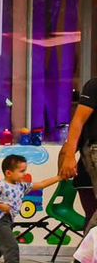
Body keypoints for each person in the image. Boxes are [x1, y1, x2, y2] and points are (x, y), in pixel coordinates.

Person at [0, 153, 63, 263]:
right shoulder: (0, 185)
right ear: (9, 172)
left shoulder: (21, 186)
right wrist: (0, 206)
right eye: (21, 171)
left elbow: (40, 185)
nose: (24, 174)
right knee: (11, 247)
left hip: (8, 220)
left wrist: (59, 177)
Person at [59, 72, 97, 219]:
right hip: (92, 152)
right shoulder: (94, 85)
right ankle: (90, 240)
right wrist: (69, 157)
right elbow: (78, 121)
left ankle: (89, 240)